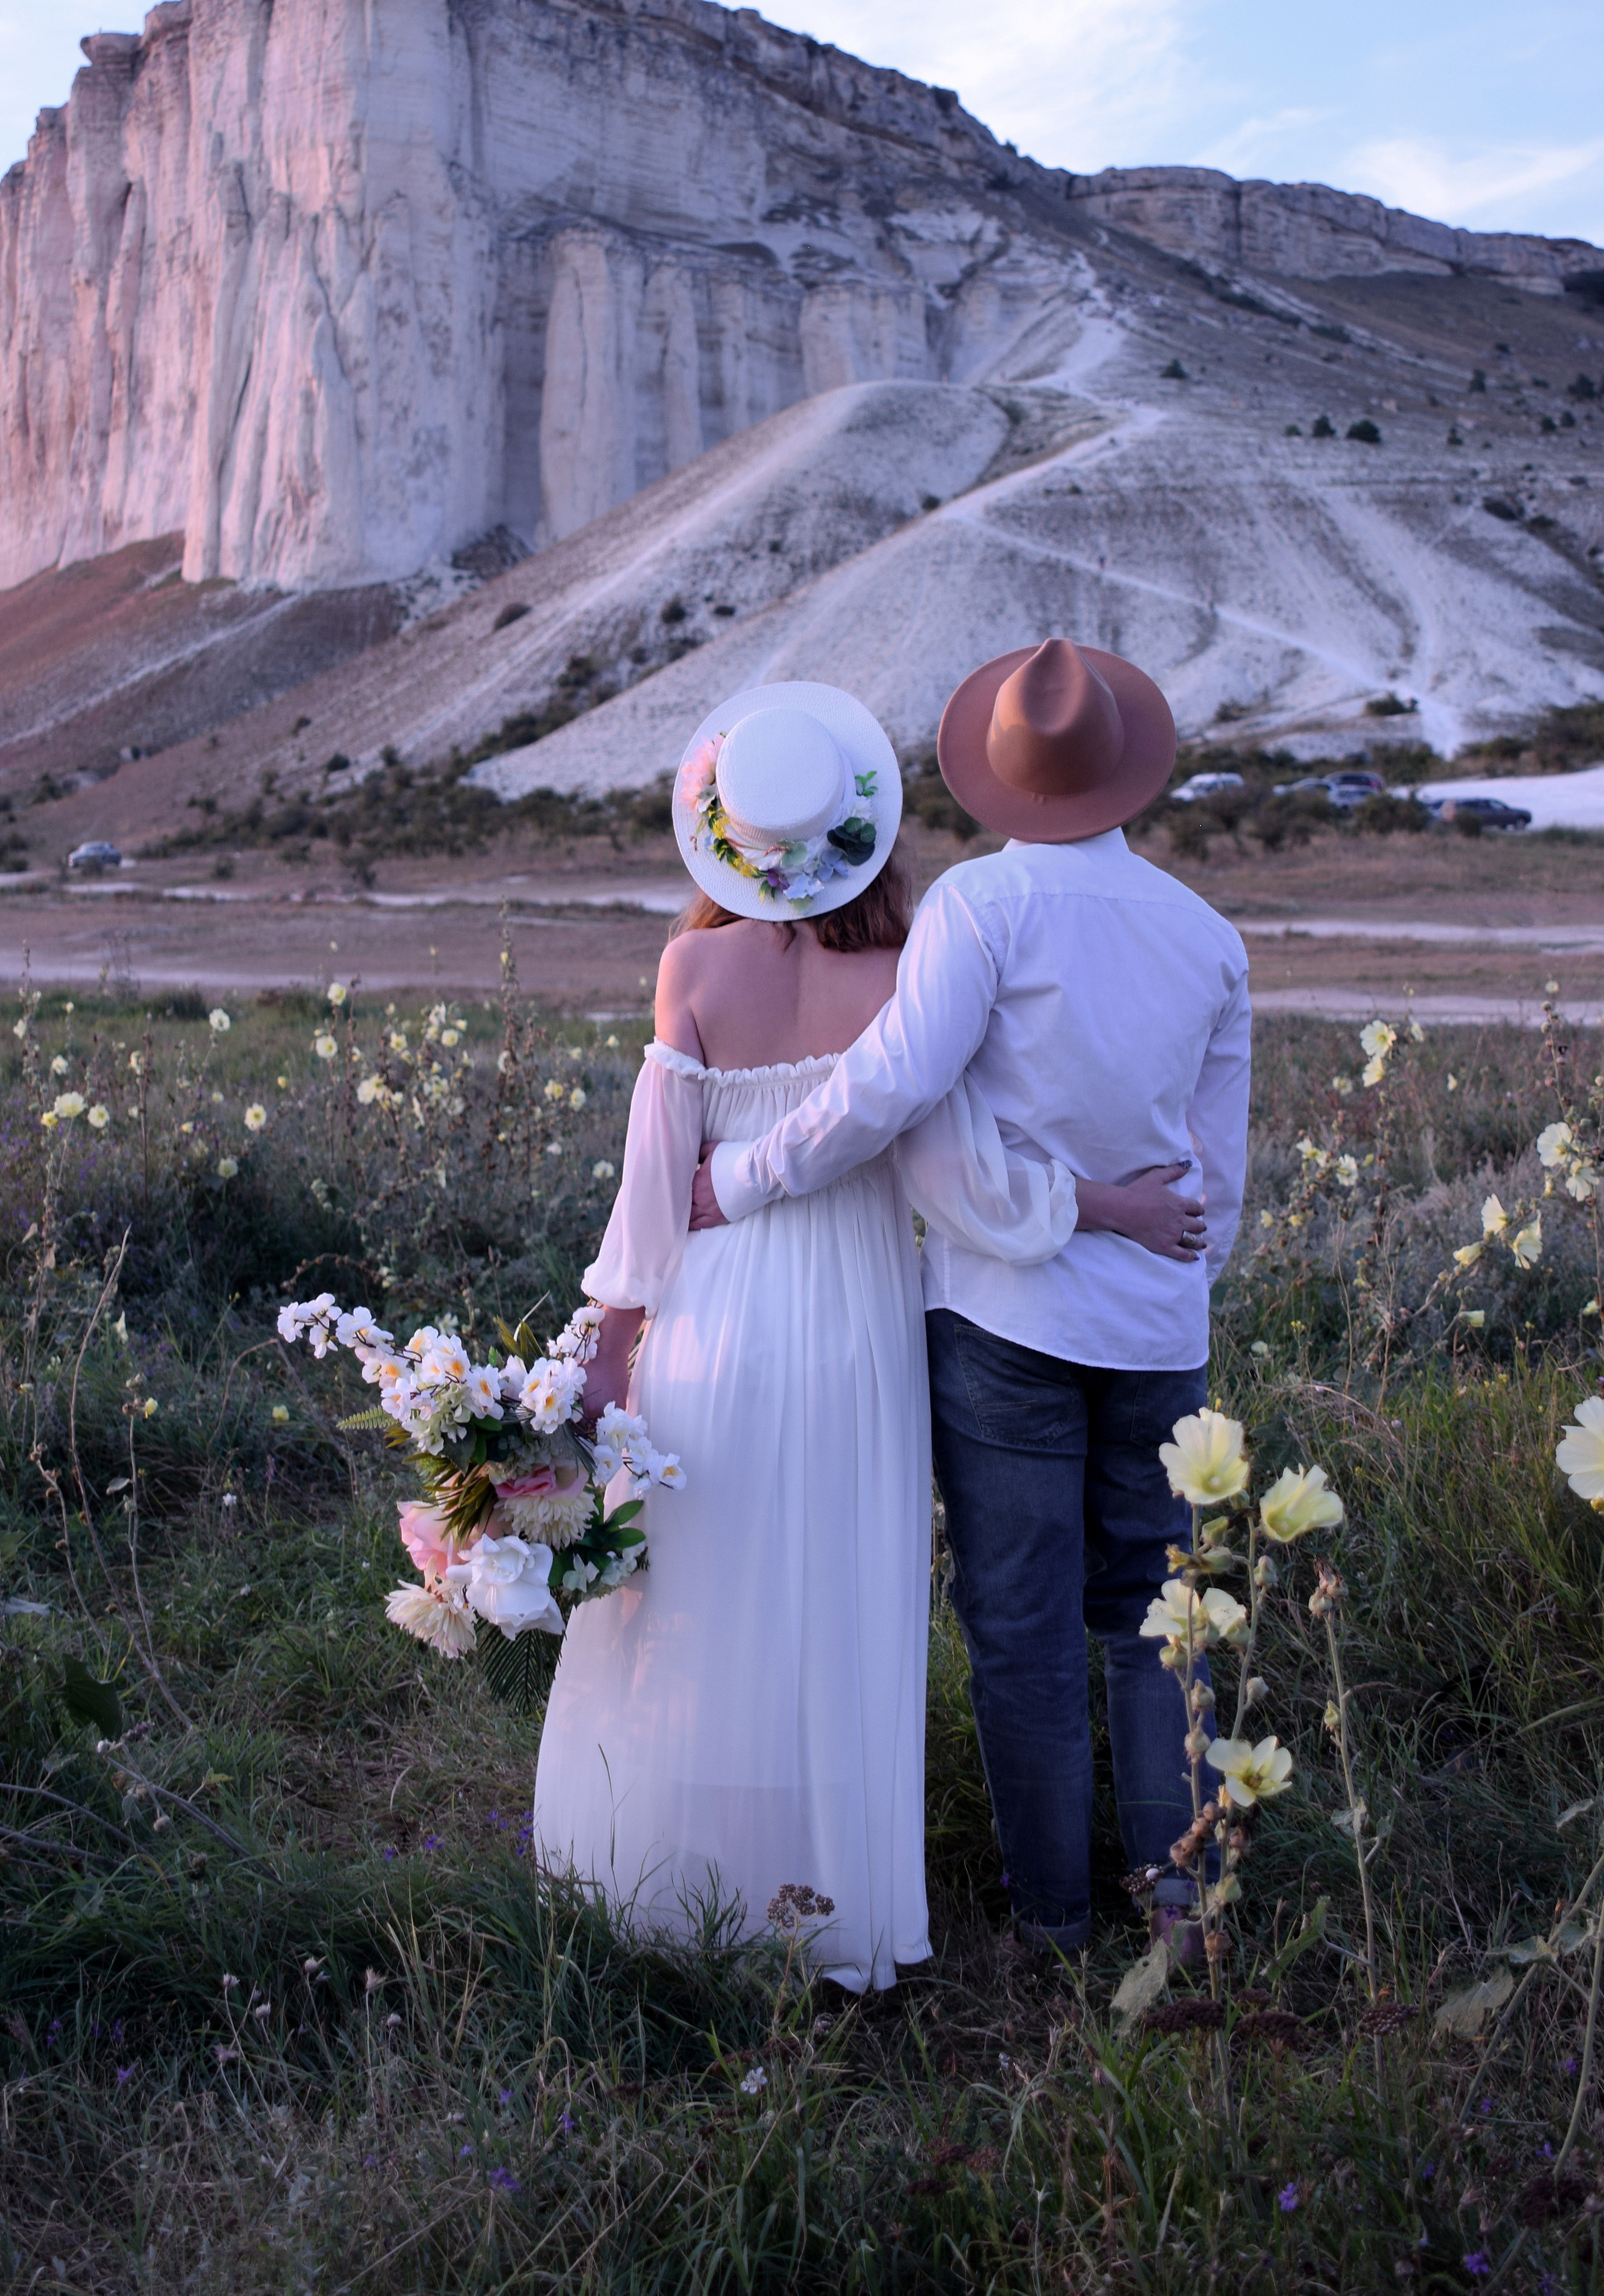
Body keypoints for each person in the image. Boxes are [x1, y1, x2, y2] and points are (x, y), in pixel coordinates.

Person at [532, 680, 1197, 1991]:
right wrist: (1111, 1205)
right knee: (838, 1606)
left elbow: (651, 1200)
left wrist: (602, 1363)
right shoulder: (906, 978)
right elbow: (966, 1185)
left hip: (714, 1322)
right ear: (867, 832)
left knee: (698, 1596)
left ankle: (684, 1887)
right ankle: (832, 1895)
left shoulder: (691, 970)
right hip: (859, 1338)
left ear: (729, 839)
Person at [691, 639, 1250, 1958]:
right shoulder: (1207, 936)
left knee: (1023, 1628)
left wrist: (750, 1177)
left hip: (1005, 1319)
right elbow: (1212, 1185)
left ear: (997, 783)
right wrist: (1158, 1278)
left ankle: (1054, 1921)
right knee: (1156, 1615)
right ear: (1127, 776)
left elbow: (892, 1089)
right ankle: (1180, 1896)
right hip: (1159, 1333)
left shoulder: (979, 912)